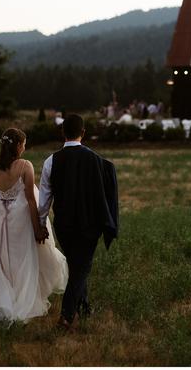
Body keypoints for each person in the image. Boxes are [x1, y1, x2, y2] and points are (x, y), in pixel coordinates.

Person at [0, 127, 68, 326]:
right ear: (17, 146)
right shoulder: (25, 166)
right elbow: (31, 201)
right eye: (23, 144)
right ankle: (21, 303)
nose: (25, 147)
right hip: (21, 224)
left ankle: (6, 302)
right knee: (23, 261)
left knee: (4, 263)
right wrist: (38, 228)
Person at [38, 114, 119, 331]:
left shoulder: (51, 161)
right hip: (89, 225)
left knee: (76, 265)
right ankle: (66, 316)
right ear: (83, 133)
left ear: (62, 132)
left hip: (63, 225)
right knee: (81, 269)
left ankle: (84, 308)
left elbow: (44, 198)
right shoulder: (98, 161)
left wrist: (40, 224)